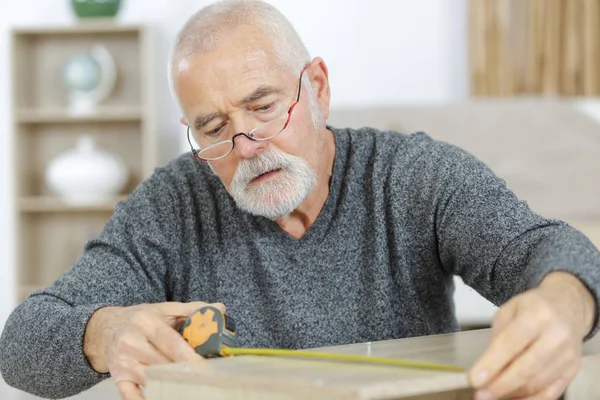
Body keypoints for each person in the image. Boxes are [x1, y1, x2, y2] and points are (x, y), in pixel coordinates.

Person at [1, 1, 599, 399]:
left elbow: (549, 251)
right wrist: (104, 333)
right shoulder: (171, 204)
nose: (246, 143)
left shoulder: (413, 174)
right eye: (213, 128)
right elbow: (21, 342)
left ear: (317, 87)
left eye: (263, 106)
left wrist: (564, 306)